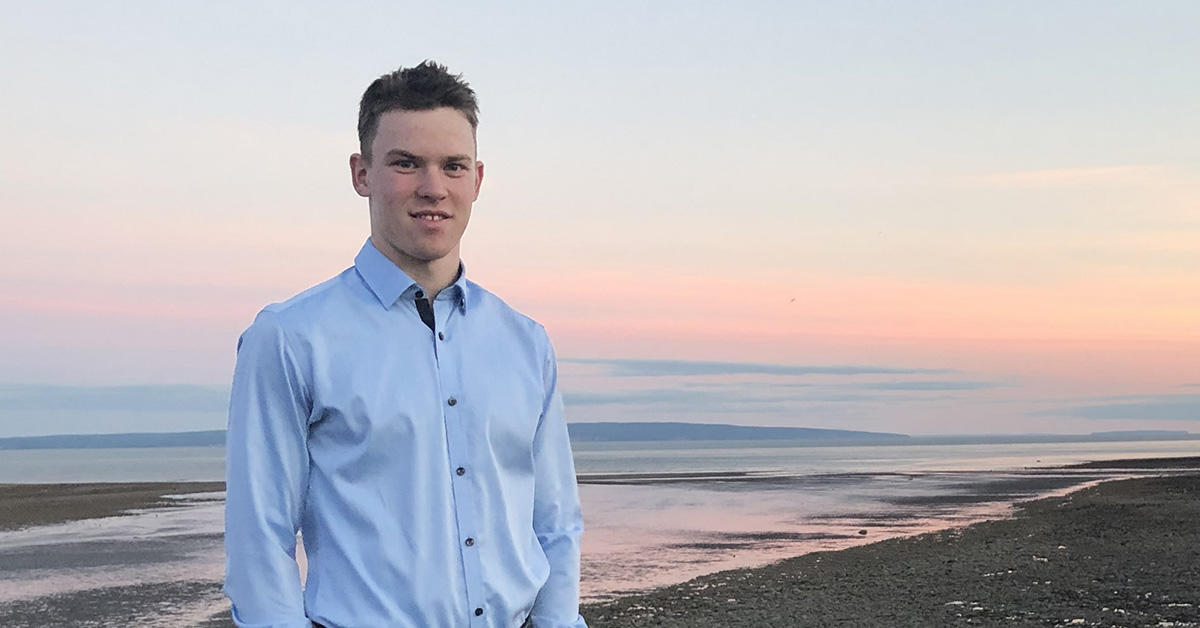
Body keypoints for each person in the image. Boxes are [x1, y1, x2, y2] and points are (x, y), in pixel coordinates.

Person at [223, 61, 587, 628]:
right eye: (406, 163)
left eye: (452, 166)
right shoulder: (291, 338)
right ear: (361, 173)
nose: (432, 187)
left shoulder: (525, 342)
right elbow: (259, 535)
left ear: (478, 179)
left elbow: (555, 521)